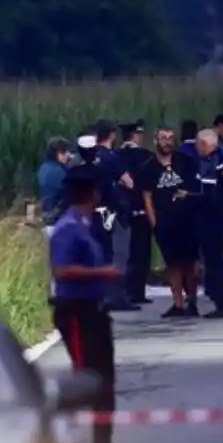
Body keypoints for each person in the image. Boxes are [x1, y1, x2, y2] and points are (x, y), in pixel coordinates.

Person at [48, 164, 135, 443]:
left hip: (95, 311)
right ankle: (56, 441)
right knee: (84, 380)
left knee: (104, 379)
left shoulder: (85, 225)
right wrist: (104, 272)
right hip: (76, 312)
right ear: (92, 193)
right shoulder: (68, 228)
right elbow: (62, 271)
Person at [139, 126, 202, 317]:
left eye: (170, 138)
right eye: (163, 138)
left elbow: (197, 188)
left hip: (187, 220)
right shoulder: (148, 167)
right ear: (156, 141)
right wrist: (154, 223)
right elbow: (147, 197)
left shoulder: (185, 162)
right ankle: (178, 304)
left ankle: (193, 300)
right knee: (172, 264)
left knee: (190, 264)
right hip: (165, 223)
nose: (166, 142)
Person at [93, 120, 139, 312]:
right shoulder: (112, 157)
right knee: (120, 255)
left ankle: (101, 296)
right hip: (115, 212)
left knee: (101, 255)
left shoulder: (90, 156)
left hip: (94, 212)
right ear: (111, 135)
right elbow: (129, 183)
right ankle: (116, 297)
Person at [195, 129, 223, 318]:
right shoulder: (221, 160)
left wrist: (191, 198)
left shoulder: (214, 163)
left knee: (214, 263)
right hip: (217, 219)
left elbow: (212, 196)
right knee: (213, 262)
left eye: (198, 144)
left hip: (213, 221)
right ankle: (219, 299)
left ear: (204, 145)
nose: (196, 148)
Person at [118, 120, 155, 304]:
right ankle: (138, 291)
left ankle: (126, 290)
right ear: (136, 136)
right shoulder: (146, 156)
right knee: (142, 253)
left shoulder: (116, 156)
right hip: (142, 209)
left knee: (125, 252)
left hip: (123, 211)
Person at [37, 137, 72, 227]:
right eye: (65, 152)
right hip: (59, 218)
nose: (68, 155)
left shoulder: (44, 168)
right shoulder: (59, 172)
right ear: (58, 153)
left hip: (47, 214)